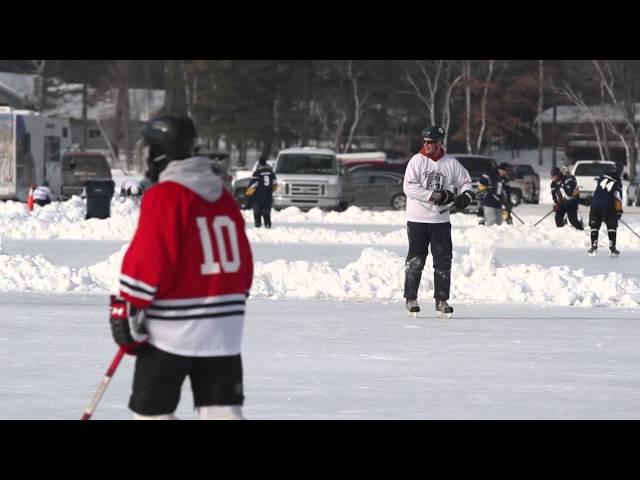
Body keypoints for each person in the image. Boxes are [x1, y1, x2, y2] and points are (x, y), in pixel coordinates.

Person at [109, 114, 254, 420]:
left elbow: (148, 258)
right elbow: (244, 264)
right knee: (221, 412)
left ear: (158, 151)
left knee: (152, 412)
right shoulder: (223, 197)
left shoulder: (166, 196)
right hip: (224, 329)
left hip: (173, 330)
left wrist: (129, 305)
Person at [402, 125, 475, 318]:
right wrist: (435, 195)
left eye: (430, 142)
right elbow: (409, 187)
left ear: (439, 142)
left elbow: (466, 181)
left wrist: (466, 195)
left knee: (443, 260)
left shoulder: (450, 163)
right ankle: (411, 298)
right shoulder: (416, 161)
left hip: (440, 220)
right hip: (417, 219)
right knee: (416, 259)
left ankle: (441, 300)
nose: (426, 145)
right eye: (424, 141)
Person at [588, 164, 623, 257]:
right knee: (612, 226)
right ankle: (612, 248)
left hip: (595, 204)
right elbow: (617, 197)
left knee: (594, 226)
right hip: (608, 205)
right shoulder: (618, 181)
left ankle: (593, 247)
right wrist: (619, 211)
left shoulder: (602, 176)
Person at [245, 156, 277, 228]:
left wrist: (248, 194)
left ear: (259, 163)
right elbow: (275, 184)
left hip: (258, 198)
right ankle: (267, 223)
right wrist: (269, 191)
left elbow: (253, 185)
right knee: (267, 211)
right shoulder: (271, 173)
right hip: (268, 197)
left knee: (257, 212)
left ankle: (258, 224)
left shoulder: (257, 173)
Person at [550, 166, 584, 230]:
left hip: (571, 202)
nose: (553, 178)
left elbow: (572, 192)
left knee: (573, 220)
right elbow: (554, 195)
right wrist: (556, 204)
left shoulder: (567, 180)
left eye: (554, 176)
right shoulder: (553, 184)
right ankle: (562, 232)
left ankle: (581, 230)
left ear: (558, 174)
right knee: (558, 219)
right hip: (561, 203)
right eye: (552, 177)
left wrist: (568, 197)